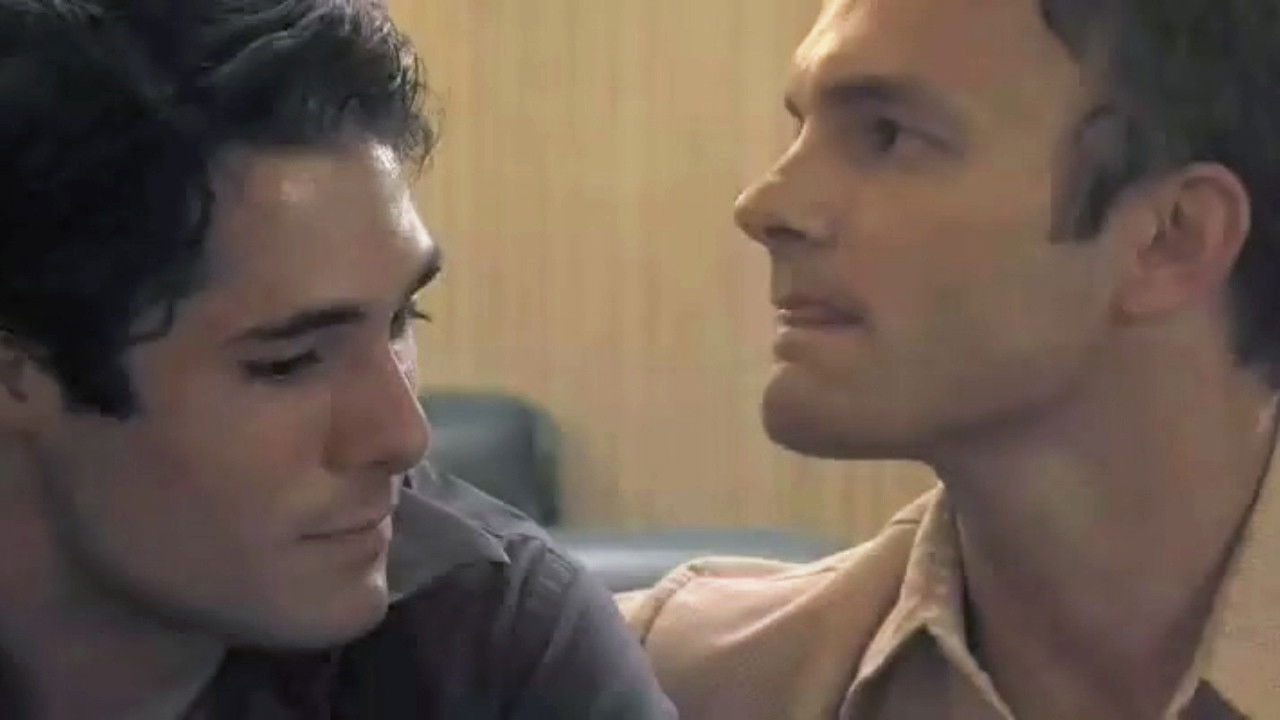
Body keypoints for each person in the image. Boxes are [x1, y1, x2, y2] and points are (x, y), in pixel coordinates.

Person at [0, 1, 674, 718]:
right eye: (290, 362)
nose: (403, 436)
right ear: (15, 374)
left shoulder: (496, 641)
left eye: (402, 320)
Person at [618, 0, 1280, 717]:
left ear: (1171, 237)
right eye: (802, 129)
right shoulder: (663, 685)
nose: (764, 206)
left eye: (886, 136)